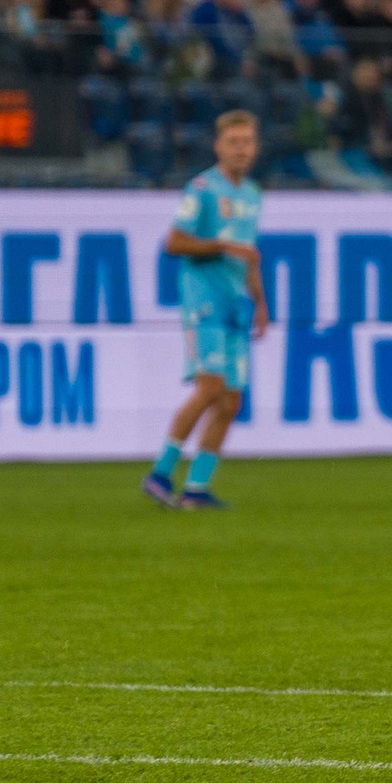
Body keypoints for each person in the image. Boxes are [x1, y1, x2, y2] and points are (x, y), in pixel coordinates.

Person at [145, 111, 267, 511]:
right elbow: (175, 242)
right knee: (210, 388)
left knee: (231, 402)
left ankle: (196, 489)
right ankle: (161, 473)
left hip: (236, 305)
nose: (241, 148)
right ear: (218, 146)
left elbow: (248, 253)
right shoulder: (201, 189)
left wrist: (260, 302)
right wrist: (221, 245)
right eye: (233, 141)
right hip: (205, 302)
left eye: (247, 141)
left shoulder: (251, 193)